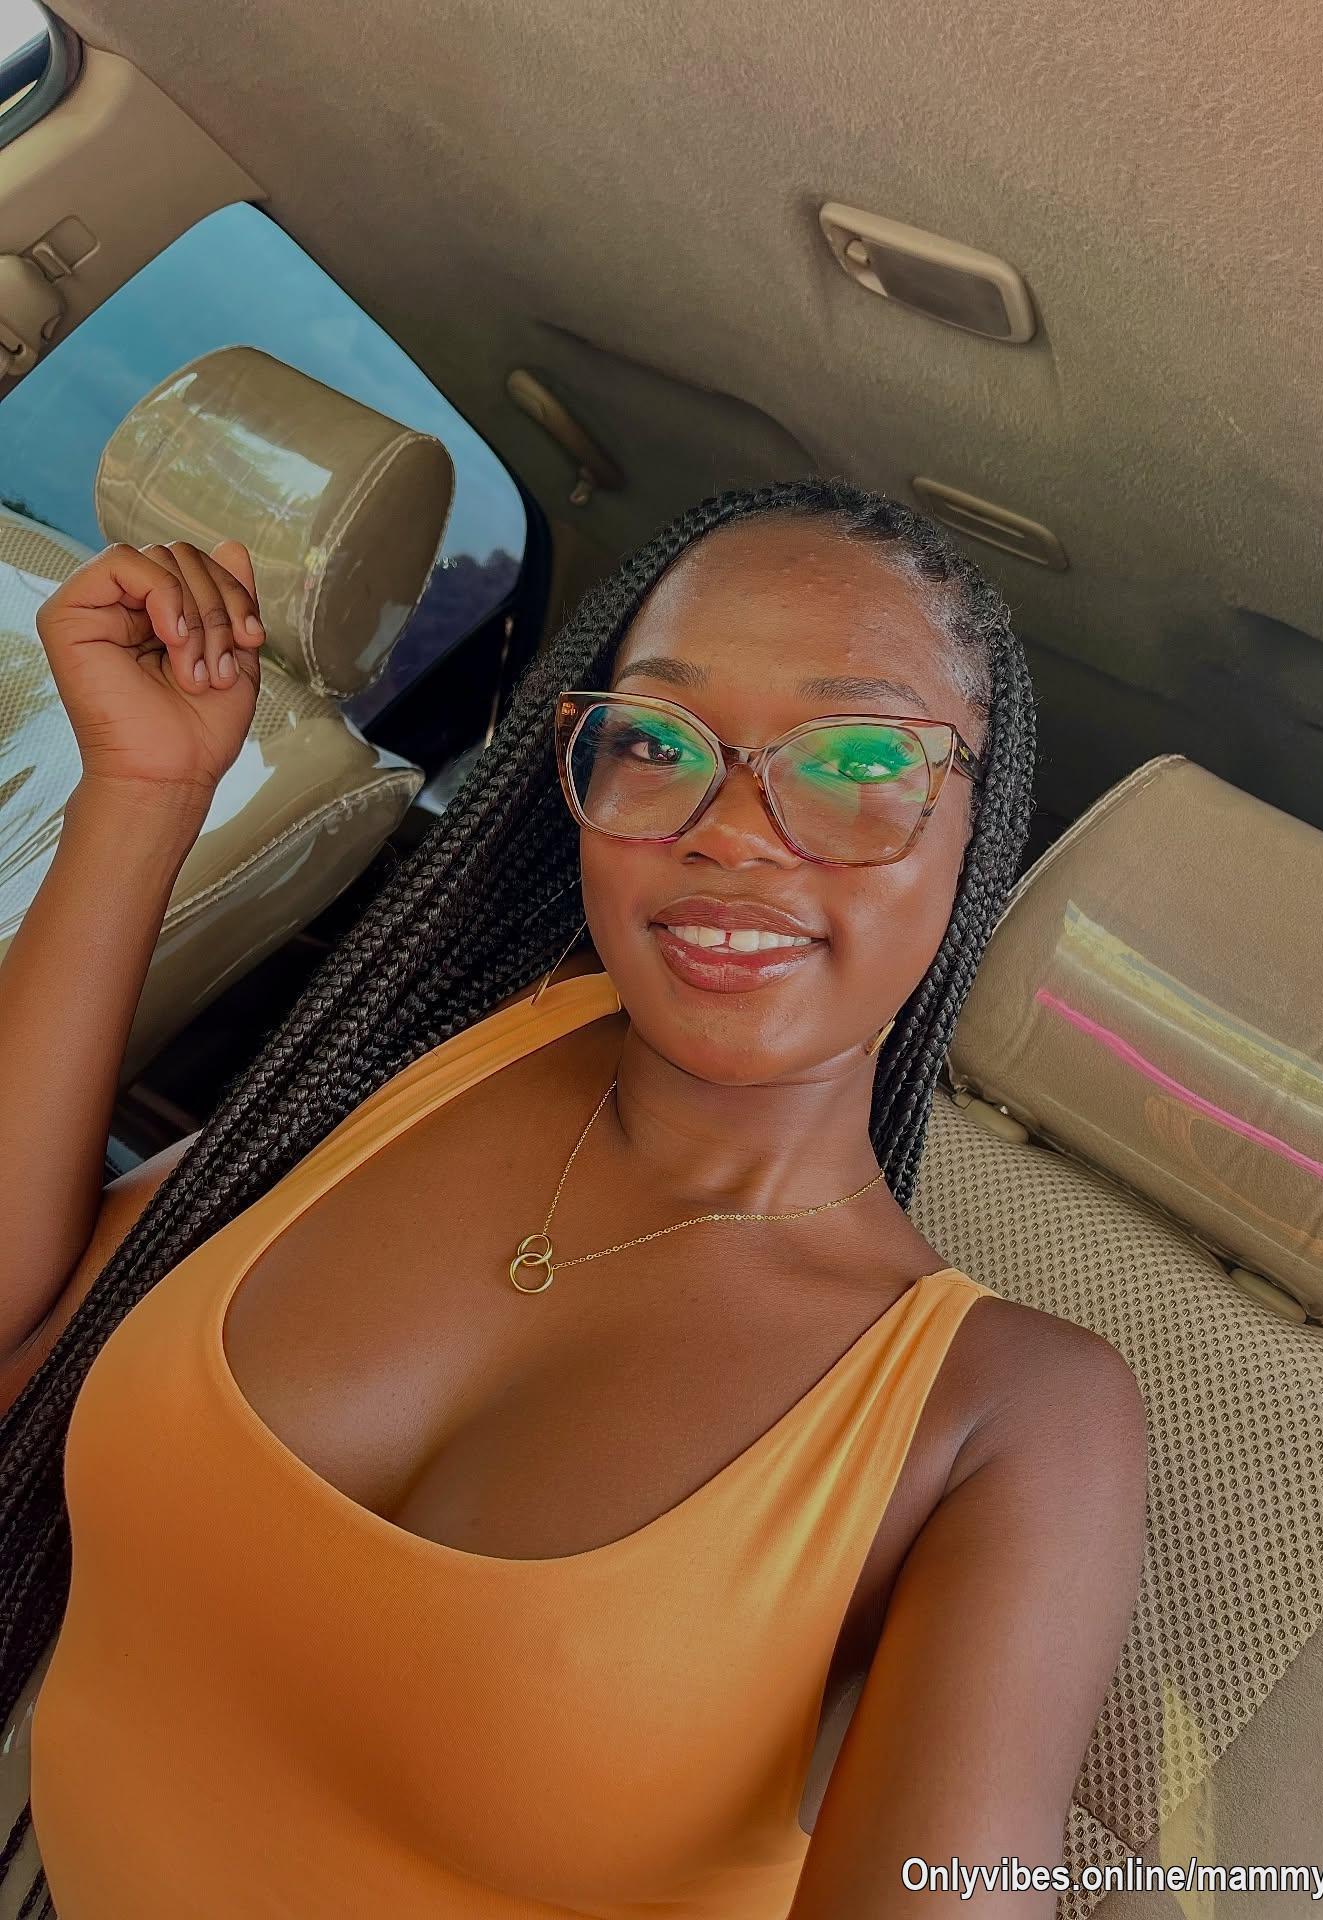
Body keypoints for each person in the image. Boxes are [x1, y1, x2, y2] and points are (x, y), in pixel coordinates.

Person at [0, 477, 1147, 1918]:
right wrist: (145, 793)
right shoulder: (421, 1044)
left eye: (860, 756)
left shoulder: (1014, 1420)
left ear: (978, 830)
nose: (731, 829)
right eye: (658, 741)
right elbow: (19, 1338)